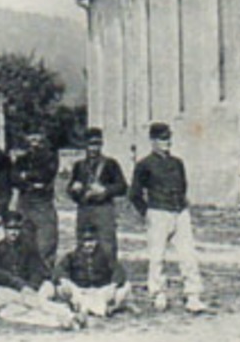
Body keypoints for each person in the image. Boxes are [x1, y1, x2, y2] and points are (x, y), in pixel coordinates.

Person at [129, 122, 208, 314]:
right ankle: (158, 293)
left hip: (179, 212)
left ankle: (192, 295)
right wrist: (146, 212)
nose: (166, 142)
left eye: (168, 138)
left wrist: (182, 205)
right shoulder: (144, 165)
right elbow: (134, 194)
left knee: (188, 255)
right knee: (157, 256)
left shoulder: (177, 163)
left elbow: (183, 186)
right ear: (153, 141)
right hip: (158, 212)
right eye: (162, 139)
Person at [67, 127, 128, 263]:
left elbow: (122, 187)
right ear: (85, 145)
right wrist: (74, 189)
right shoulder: (79, 166)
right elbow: (70, 189)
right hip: (84, 209)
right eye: (90, 144)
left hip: (103, 209)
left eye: (96, 144)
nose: (93, 148)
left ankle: (110, 275)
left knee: (107, 244)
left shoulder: (110, 164)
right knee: (83, 242)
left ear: (101, 145)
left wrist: (105, 190)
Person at [56, 225, 130, 318]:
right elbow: (59, 270)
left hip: (101, 291)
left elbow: (119, 271)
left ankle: (109, 308)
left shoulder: (105, 255)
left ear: (97, 241)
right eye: (85, 241)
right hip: (80, 291)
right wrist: (64, 280)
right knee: (61, 287)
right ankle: (81, 308)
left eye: (91, 241)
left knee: (126, 287)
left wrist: (113, 286)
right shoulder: (73, 256)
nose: (88, 245)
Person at [12, 129, 61, 271]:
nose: (34, 140)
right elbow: (13, 178)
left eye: (37, 135)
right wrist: (30, 184)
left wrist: (25, 176)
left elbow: (45, 175)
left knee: (45, 243)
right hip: (24, 203)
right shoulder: (22, 159)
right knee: (24, 241)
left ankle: (45, 276)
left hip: (43, 204)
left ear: (43, 137)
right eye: (31, 135)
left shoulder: (50, 156)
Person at [0, 211, 56, 298]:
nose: (13, 232)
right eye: (10, 228)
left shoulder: (28, 247)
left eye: (17, 228)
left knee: (48, 287)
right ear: (4, 229)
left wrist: (31, 286)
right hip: (8, 290)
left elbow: (37, 270)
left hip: (28, 288)